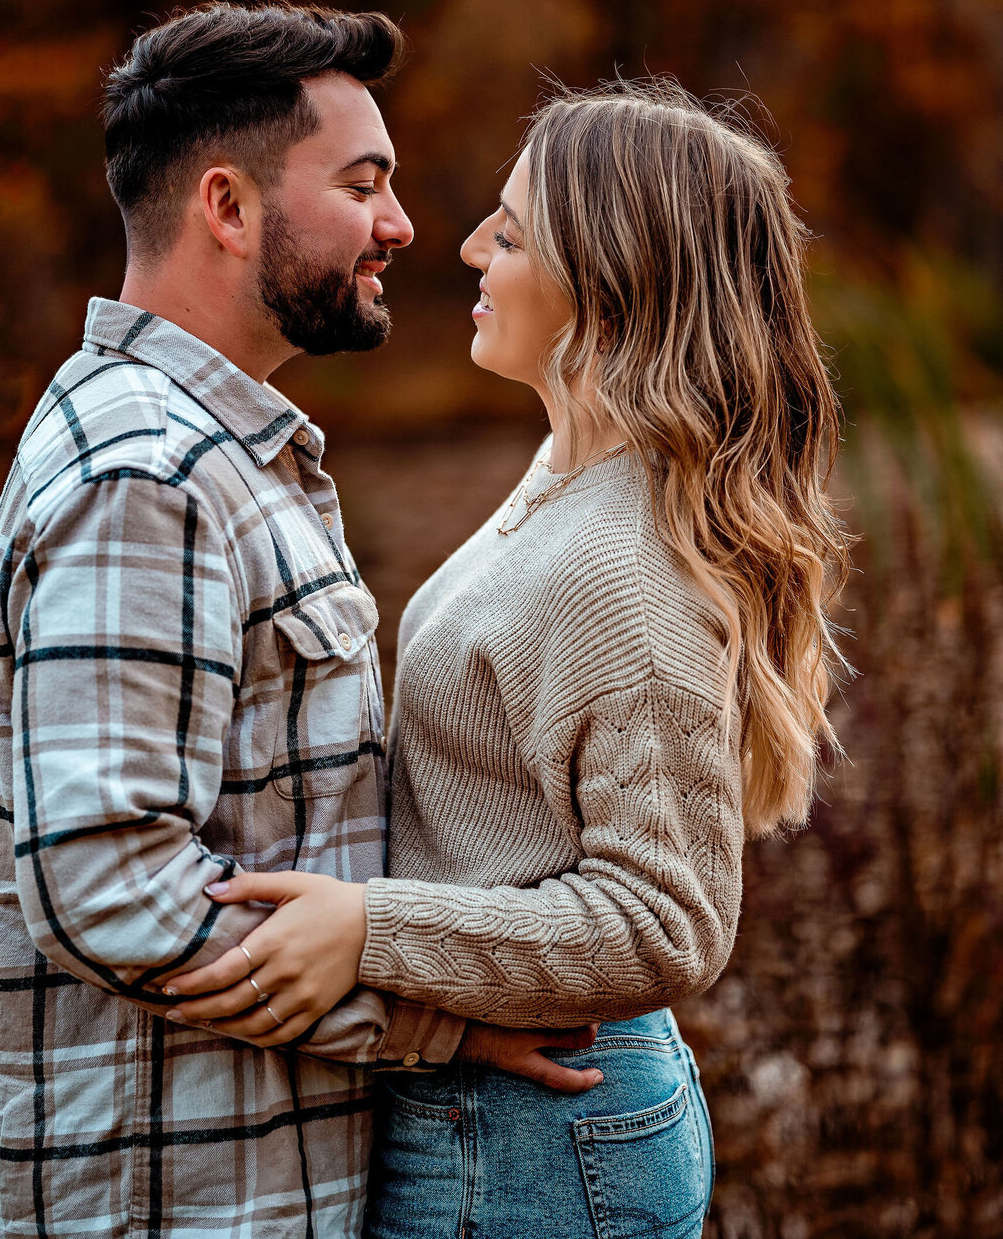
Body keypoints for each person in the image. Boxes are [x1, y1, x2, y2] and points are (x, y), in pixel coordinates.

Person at [161, 76, 852, 1239]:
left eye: (513, 230)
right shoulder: (572, 473)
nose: (473, 245)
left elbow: (665, 918)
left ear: (611, 278)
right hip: (496, 1107)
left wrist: (371, 927)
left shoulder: (620, 568)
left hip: (534, 1137)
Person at [0, 1, 600, 1239]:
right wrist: (430, 1012)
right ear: (229, 207)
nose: (404, 226)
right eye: (364, 183)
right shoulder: (145, 475)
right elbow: (109, 883)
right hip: (179, 1206)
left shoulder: (228, 456)